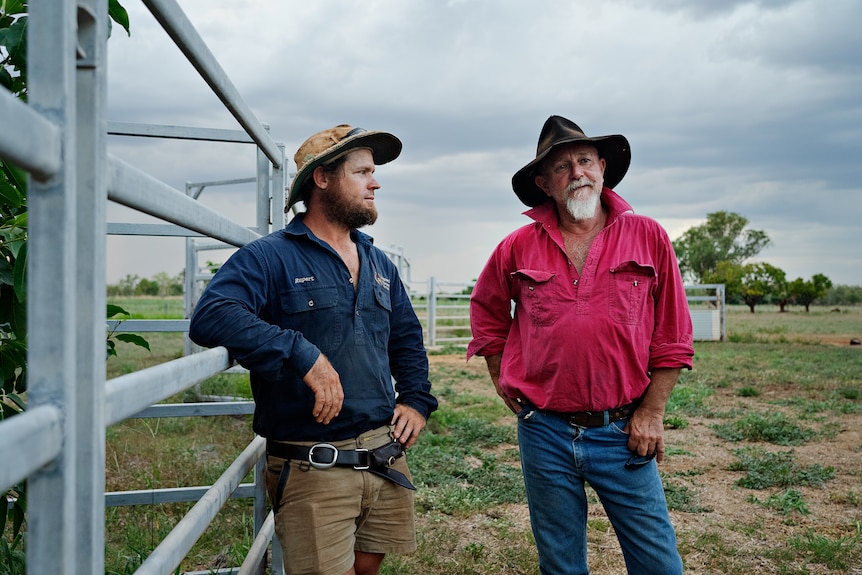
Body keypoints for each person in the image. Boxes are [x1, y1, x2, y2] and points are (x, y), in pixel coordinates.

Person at [189, 124, 438, 575]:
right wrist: (302, 354)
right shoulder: (271, 257)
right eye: (362, 171)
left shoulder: (379, 263)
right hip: (315, 463)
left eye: (374, 172)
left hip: (384, 453)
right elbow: (212, 314)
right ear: (322, 178)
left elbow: (405, 339)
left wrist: (417, 400)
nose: (375, 182)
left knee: (367, 567)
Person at [467, 115, 694, 575]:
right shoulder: (516, 247)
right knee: (561, 564)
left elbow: (673, 335)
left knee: (659, 564)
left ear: (603, 168)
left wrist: (651, 413)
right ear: (544, 184)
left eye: (585, 160)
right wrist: (499, 375)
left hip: (624, 430)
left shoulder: (648, 236)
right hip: (544, 431)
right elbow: (488, 312)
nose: (577, 173)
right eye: (562, 167)